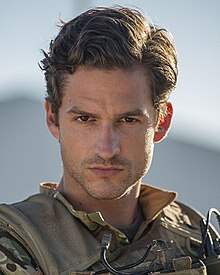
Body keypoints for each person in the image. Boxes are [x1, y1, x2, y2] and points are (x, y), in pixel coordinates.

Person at [0, 6, 218, 275]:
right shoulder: (14, 242)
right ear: (53, 118)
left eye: (128, 120)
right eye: (85, 119)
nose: (106, 149)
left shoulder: (196, 235)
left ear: (161, 122)